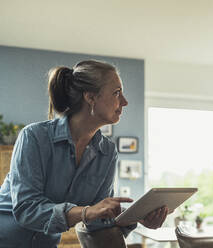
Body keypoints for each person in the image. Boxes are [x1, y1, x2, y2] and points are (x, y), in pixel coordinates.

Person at [0, 60, 168, 247]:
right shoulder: (34, 137)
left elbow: (97, 218)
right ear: (90, 97)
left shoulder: (107, 152)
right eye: (116, 93)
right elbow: (27, 209)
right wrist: (86, 212)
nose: (125, 102)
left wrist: (136, 217)